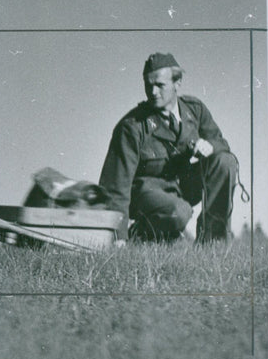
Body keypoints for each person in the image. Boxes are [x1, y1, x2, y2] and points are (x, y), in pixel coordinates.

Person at [99, 52, 238, 242]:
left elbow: (222, 144)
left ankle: (213, 243)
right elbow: (115, 187)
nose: (153, 92)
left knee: (225, 161)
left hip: (183, 187)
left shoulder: (194, 110)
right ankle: (140, 234)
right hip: (147, 194)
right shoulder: (131, 126)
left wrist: (209, 146)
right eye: (148, 85)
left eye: (159, 85)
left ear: (177, 83)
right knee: (179, 211)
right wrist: (118, 238)